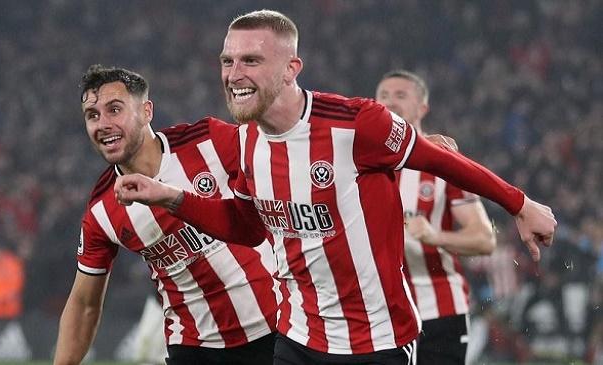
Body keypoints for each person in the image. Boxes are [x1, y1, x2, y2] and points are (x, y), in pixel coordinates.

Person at [113, 10, 556, 365]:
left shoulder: (357, 124)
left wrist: (519, 204)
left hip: (377, 342)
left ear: (291, 69)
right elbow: (248, 227)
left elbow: (442, 161)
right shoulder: (245, 141)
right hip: (297, 337)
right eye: (227, 61)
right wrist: (170, 196)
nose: (234, 73)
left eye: (251, 60)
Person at [53, 65, 278, 365]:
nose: (102, 124)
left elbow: (280, 168)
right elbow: (84, 304)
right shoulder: (102, 211)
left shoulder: (209, 141)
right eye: (92, 116)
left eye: (114, 109)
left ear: (146, 111)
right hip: (195, 349)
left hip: (278, 327)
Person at [375, 70, 496, 364]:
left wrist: (435, 236)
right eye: (383, 97)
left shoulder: (443, 162)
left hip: (438, 312)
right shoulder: (360, 163)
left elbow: (484, 239)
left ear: (422, 108)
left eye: (401, 96)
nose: (390, 102)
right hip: (379, 315)